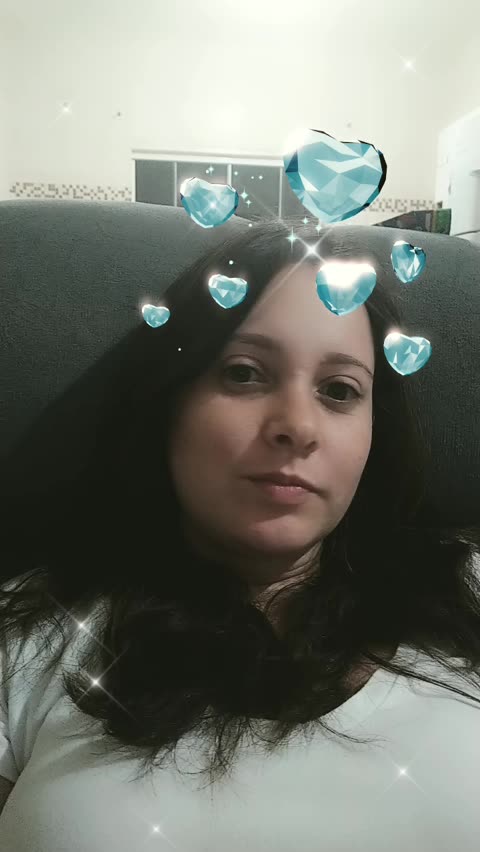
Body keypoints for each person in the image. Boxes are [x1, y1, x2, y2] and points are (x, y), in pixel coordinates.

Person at [0, 216, 479, 852]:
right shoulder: (30, 641)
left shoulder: (467, 590)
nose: (297, 427)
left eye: (340, 390)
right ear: (169, 401)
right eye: (245, 374)